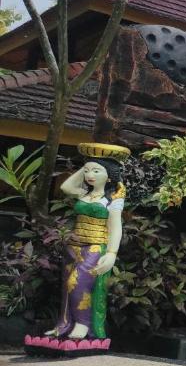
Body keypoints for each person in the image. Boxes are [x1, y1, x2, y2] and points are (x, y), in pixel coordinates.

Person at [44, 145, 129, 341]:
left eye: (96, 171)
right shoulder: (83, 193)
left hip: (95, 246)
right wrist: (87, 166)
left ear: (109, 176)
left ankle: (83, 324)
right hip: (74, 245)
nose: (90, 174)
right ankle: (64, 324)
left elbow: (116, 227)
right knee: (67, 285)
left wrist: (112, 253)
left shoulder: (112, 199)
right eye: (88, 170)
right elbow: (66, 187)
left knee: (78, 282)